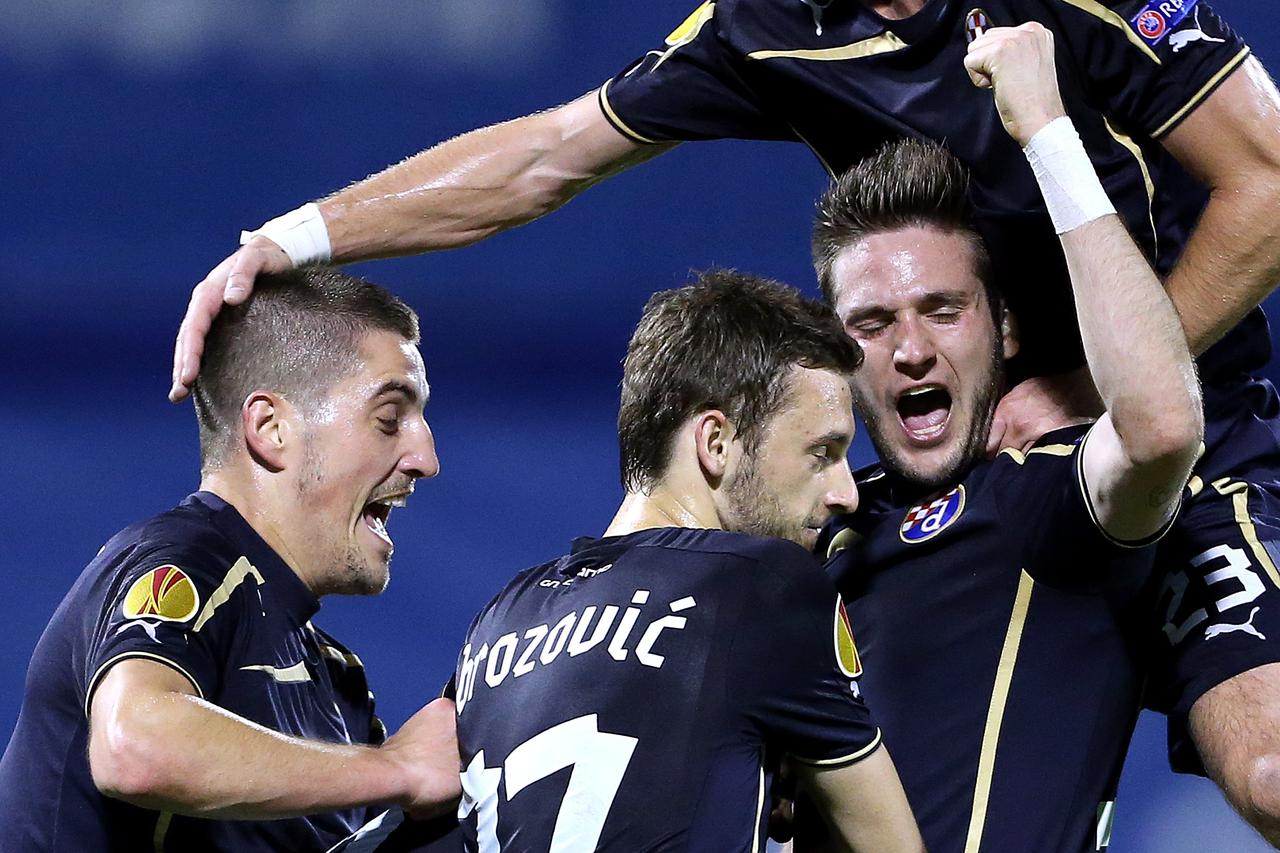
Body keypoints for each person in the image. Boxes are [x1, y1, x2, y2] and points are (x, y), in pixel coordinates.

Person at [171, 0, 1280, 838]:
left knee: (1266, 765)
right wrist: (294, 239)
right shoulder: (766, 23)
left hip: (1187, 424)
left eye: (932, 310)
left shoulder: (1078, 10)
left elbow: (1266, 184)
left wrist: (1082, 389)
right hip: (997, 464)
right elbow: (551, 152)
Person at [337, 270, 926, 852]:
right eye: (822, 453)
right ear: (716, 443)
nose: (845, 492)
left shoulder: (501, 620)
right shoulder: (766, 585)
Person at [798, 27, 1204, 850]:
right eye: (872, 323)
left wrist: (1049, 132)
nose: (912, 348)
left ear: (1006, 328)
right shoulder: (802, 532)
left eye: (944, 311)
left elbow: (1162, 426)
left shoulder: (1044, 497)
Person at [0, 269, 461, 851]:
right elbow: (135, 749)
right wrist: (400, 770)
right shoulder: (186, 561)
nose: (426, 457)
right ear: (270, 428)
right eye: (389, 419)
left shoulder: (338, 683)